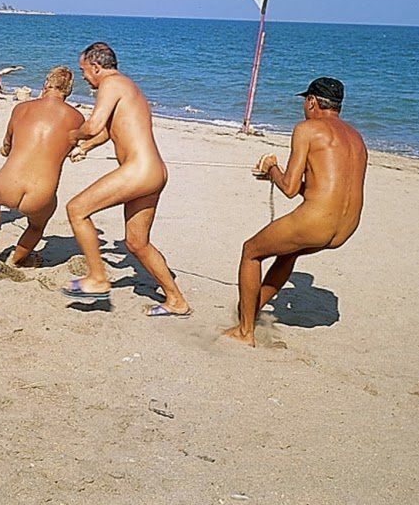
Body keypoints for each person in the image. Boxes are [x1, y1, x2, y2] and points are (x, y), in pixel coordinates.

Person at [223, 77, 367, 347]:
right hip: (346, 227)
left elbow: (289, 188)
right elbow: (320, 189)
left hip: (316, 221)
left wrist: (271, 168)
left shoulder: (308, 129)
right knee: (288, 251)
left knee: (251, 251)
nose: (304, 106)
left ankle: (245, 332)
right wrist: (276, 176)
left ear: (312, 101)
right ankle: (250, 314)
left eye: (305, 101)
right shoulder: (356, 138)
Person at [62, 42, 191, 316]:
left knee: (76, 209)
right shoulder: (127, 87)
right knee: (136, 243)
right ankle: (176, 300)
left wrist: (72, 136)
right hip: (154, 171)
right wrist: (86, 147)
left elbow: (94, 125)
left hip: (139, 170)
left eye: (84, 70)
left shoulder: (111, 85)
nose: (84, 76)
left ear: (96, 67)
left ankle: (97, 278)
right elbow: (110, 131)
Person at [0, 66, 85, 268]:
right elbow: (73, 148)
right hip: (41, 193)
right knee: (37, 225)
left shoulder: (21, 108)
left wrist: (6, 150)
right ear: (68, 91)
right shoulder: (77, 118)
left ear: (45, 85)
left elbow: (7, 146)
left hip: (8, 183)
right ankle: (19, 259)